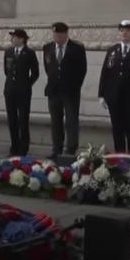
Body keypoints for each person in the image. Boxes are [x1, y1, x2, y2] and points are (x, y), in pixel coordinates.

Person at [98, 20, 130, 153]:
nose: (124, 33)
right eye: (122, 30)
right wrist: (101, 94)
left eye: (127, 30)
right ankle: (119, 158)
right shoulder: (112, 51)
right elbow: (105, 73)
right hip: (114, 97)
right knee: (117, 129)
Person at [42, 22, 87, 158]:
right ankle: (57, 148)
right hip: (54, 91)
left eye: (61, 34)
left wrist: (75, 86)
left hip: (70, 91)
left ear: (66, 34)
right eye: (55, 34)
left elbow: (82, 70)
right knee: (55, 121)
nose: (58, 37)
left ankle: (71, 149)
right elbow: (48, 67)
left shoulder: (77, 48)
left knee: (71, 121)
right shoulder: (47, 48)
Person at [2, 28, 39, 156]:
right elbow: (6, 71)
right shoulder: (8, 52)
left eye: (14, 37)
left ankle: (23, 148)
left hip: (23, 92)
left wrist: (26, 84)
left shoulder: (29, 53)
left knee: (23, 120)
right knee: (12, 120)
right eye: (11, 37)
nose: (11, 39)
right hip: (10, 90)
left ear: (22, 39)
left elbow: (35, 73)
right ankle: (14, 147)